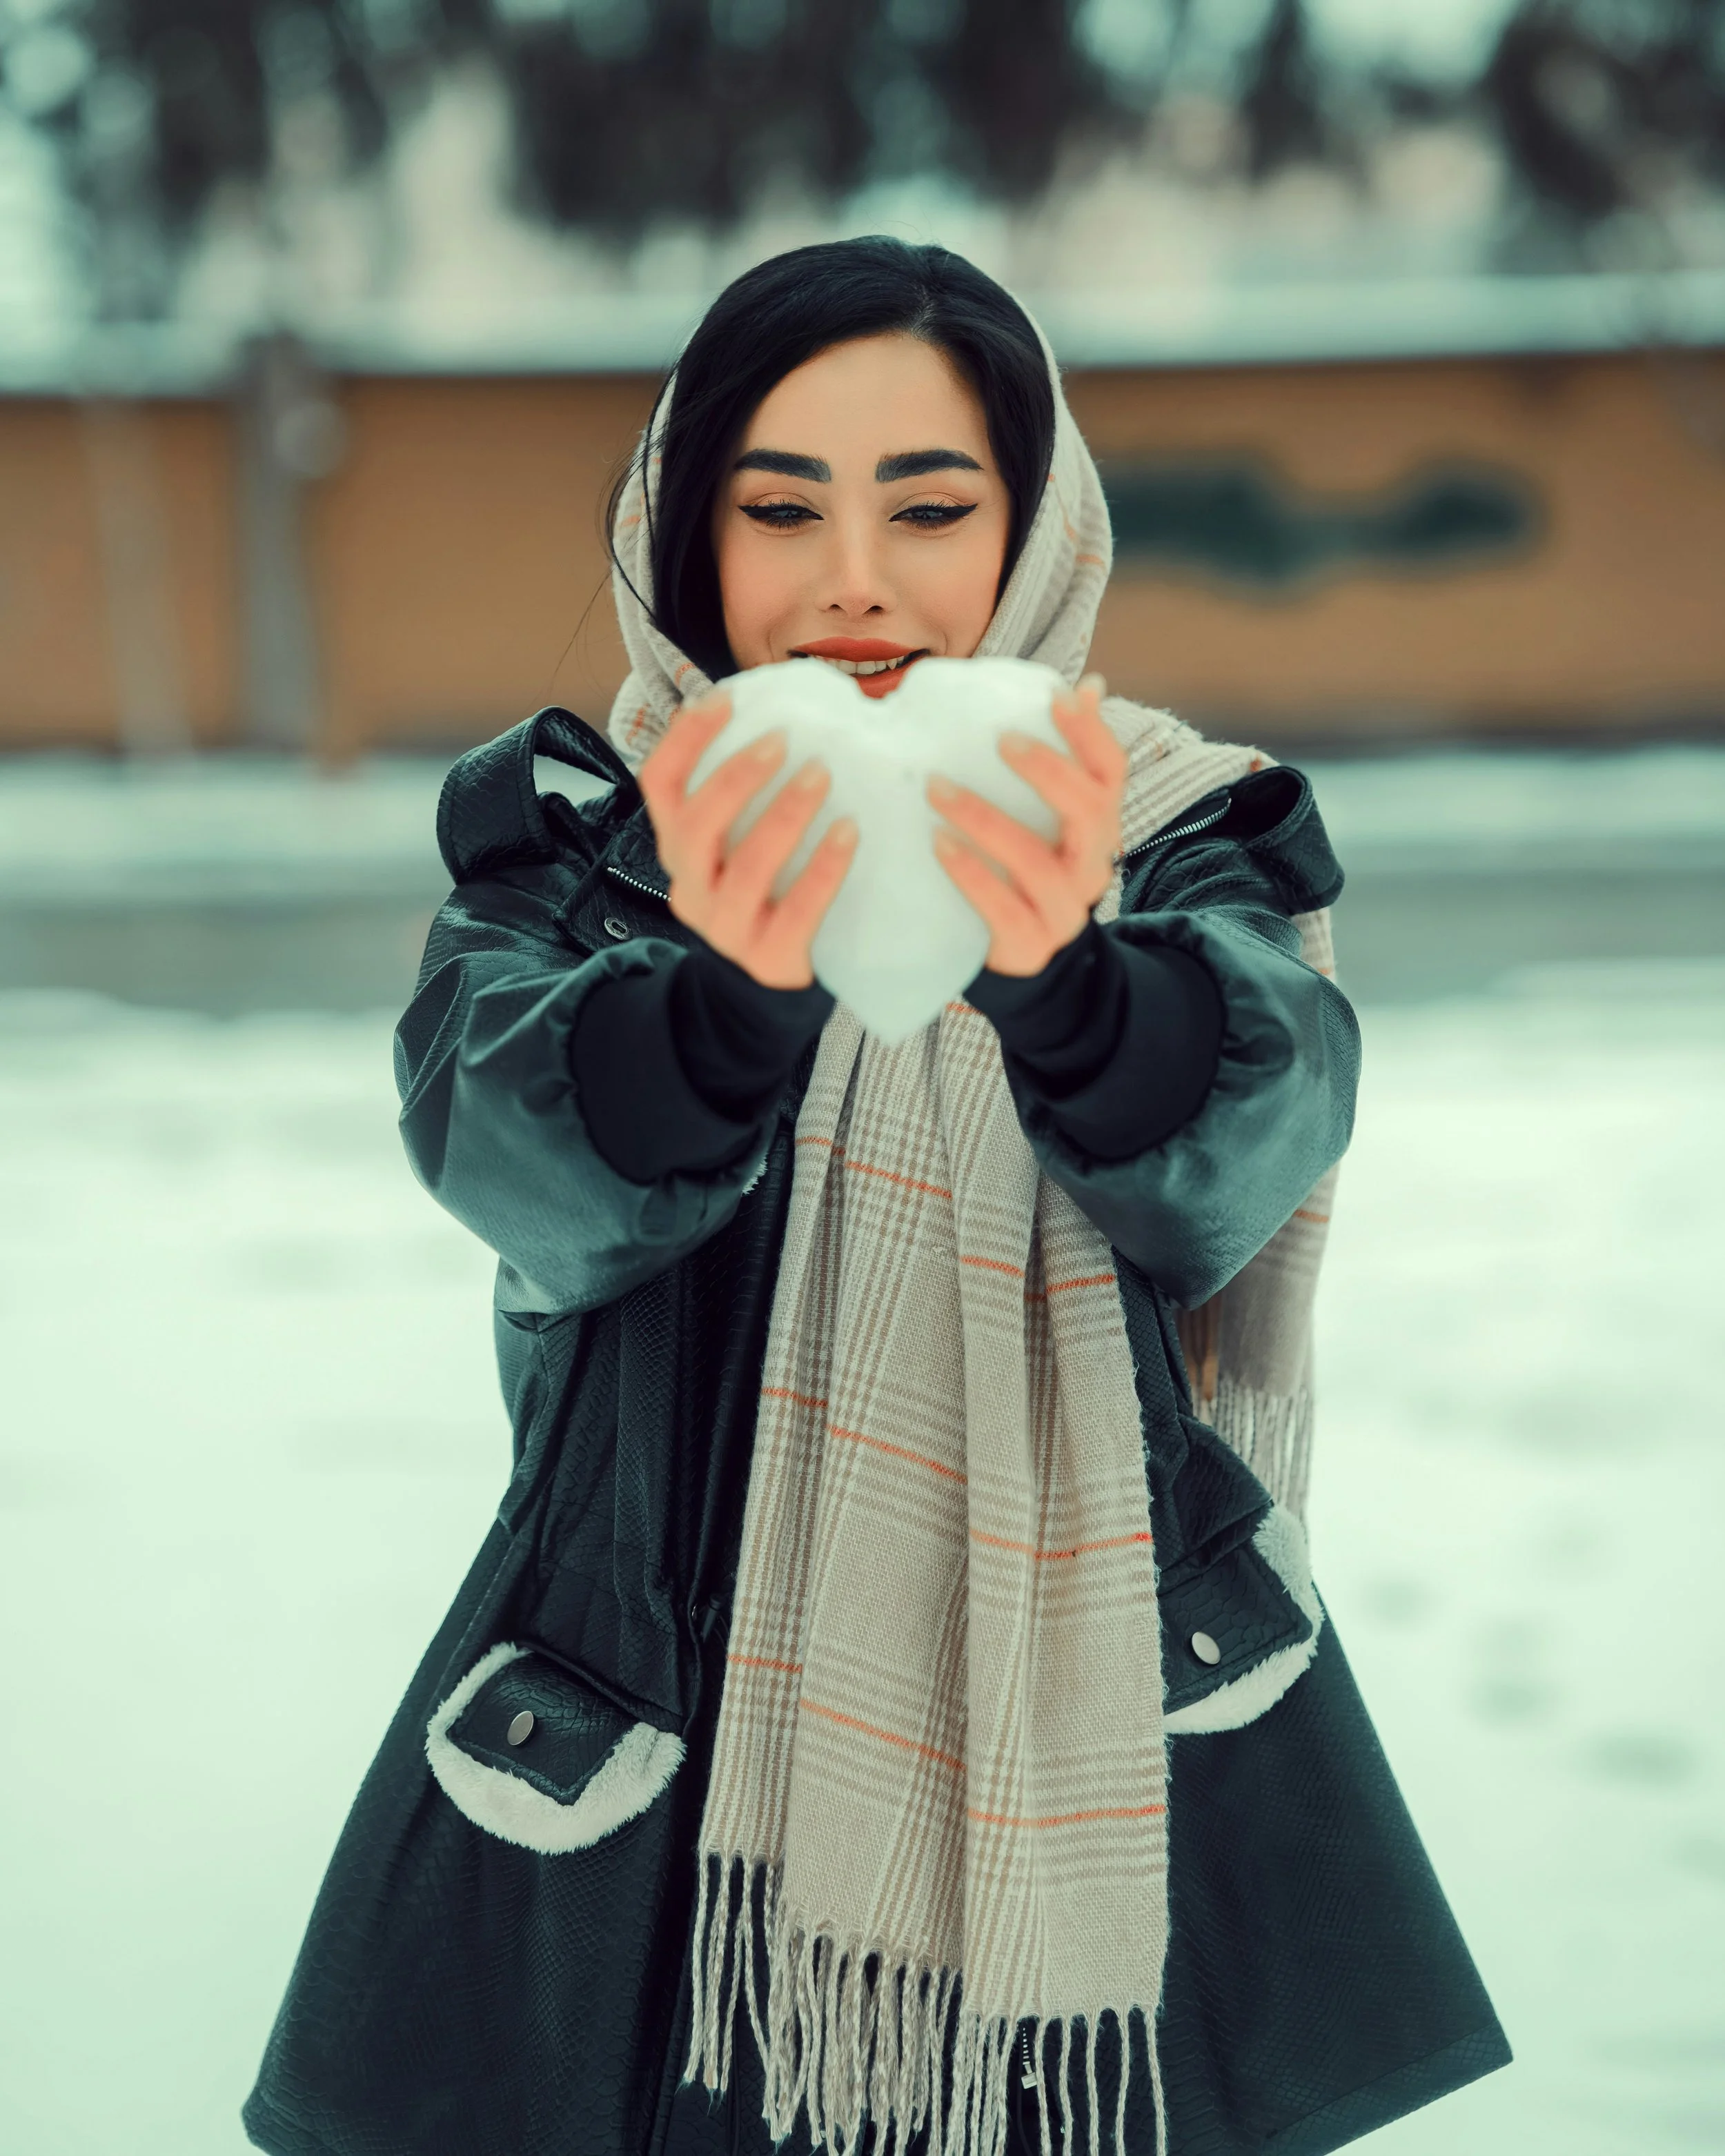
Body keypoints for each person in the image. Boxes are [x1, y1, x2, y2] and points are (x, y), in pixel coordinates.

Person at [243, 238, 1508, 2156]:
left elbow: (1251, 1139)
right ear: (686, 542)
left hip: (1071, 1712)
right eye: (777, 508)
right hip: (669, 1757)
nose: (853, 574)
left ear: (1031, 529)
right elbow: (511, 1154)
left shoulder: (1154, 827)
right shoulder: (589, 848)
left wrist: (1069, 983)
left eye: (930, 504)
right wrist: (722, 1005)